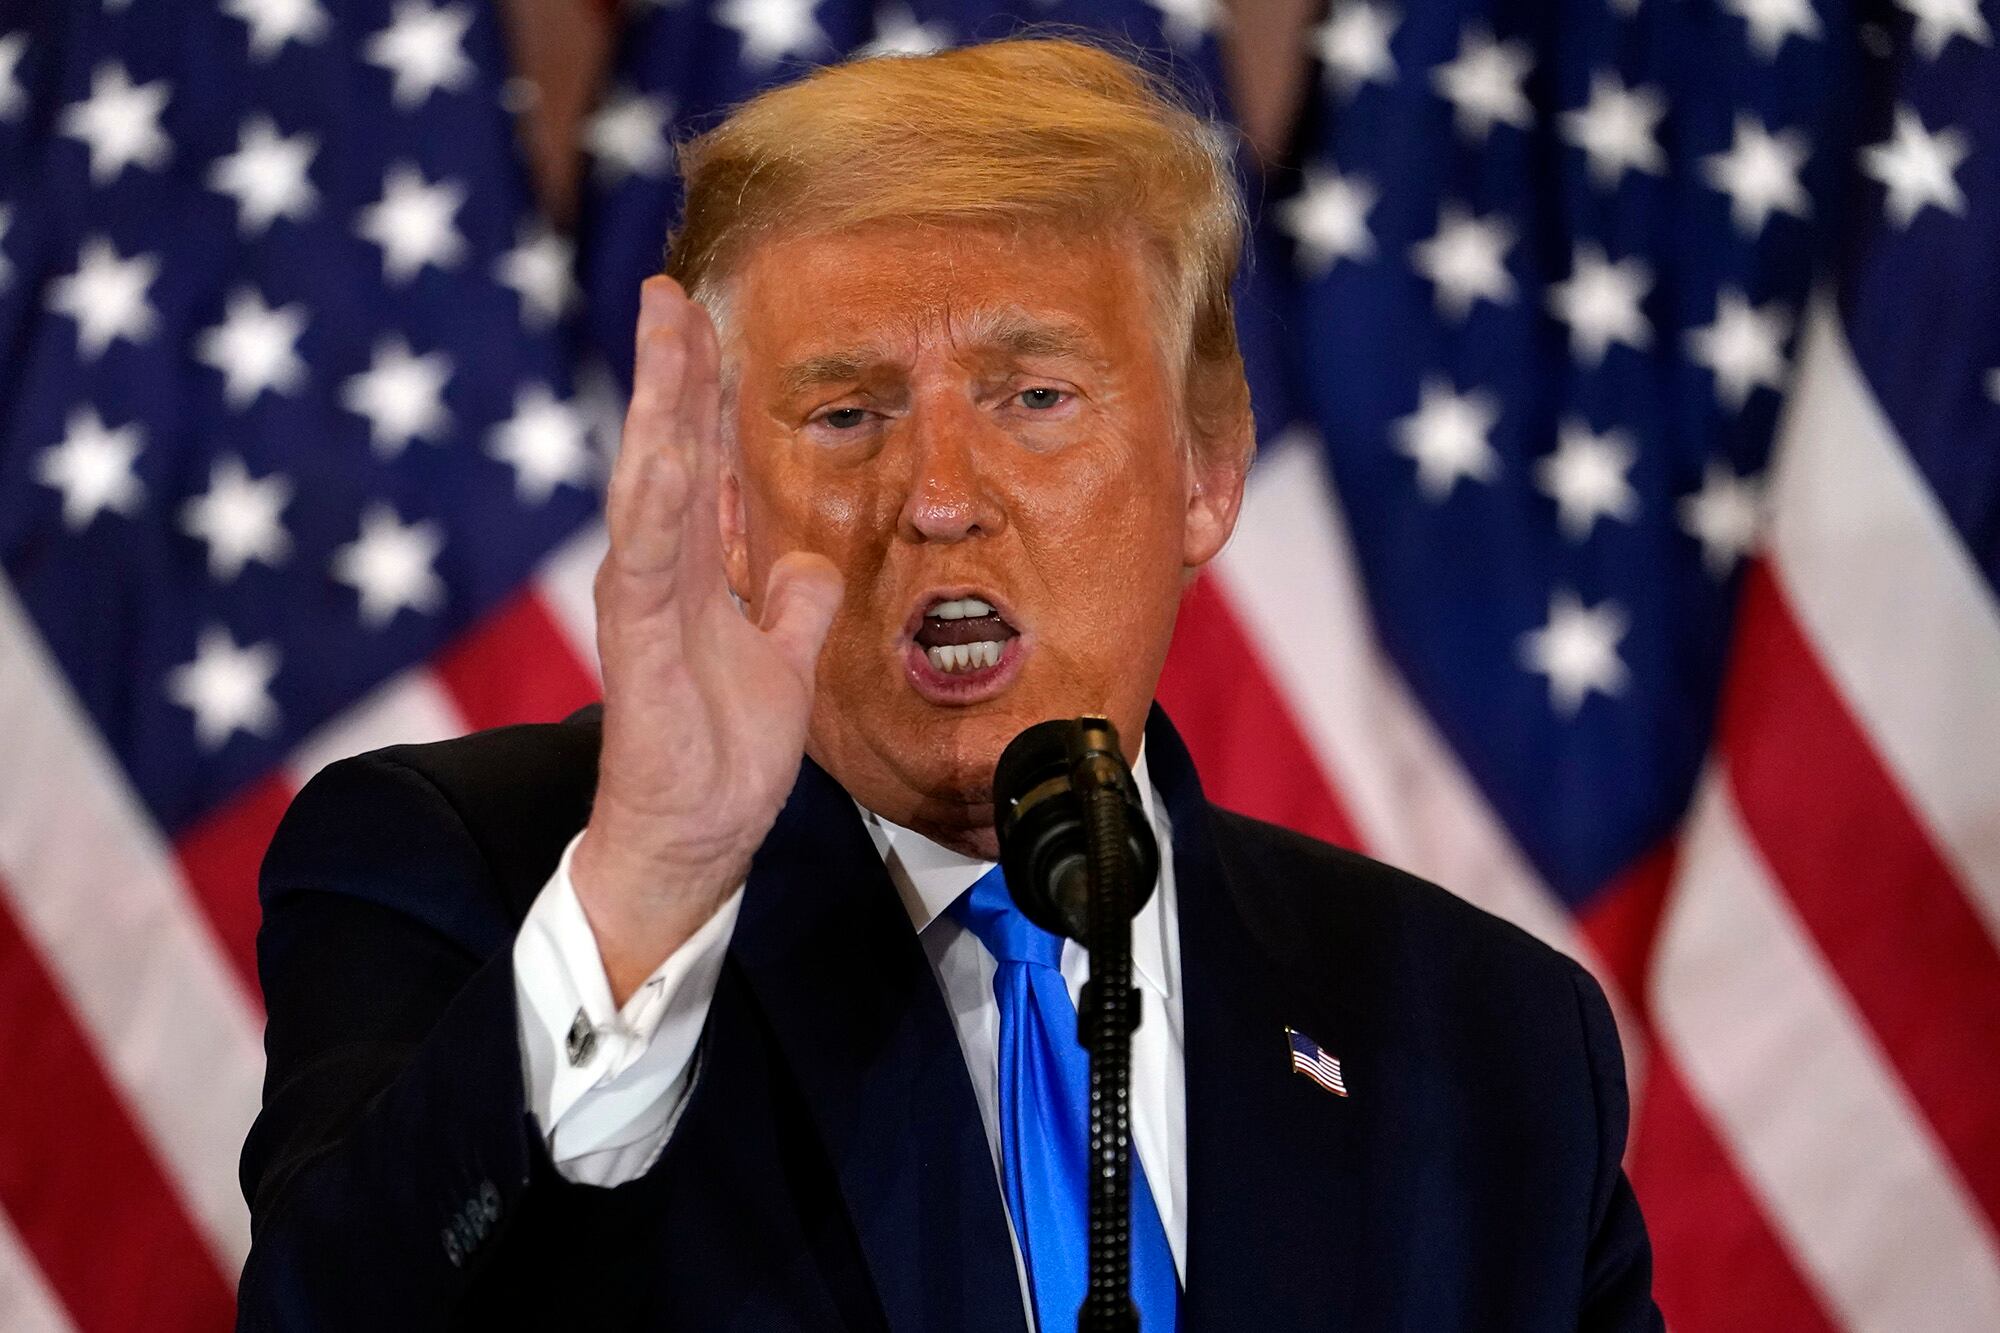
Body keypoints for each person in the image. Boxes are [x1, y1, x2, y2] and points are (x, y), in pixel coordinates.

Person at [236, 36, 1661, 1331]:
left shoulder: (1495, 1043)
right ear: (728, 499)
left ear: (1210, 467)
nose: (936, 499)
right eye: (847, 412)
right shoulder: (470, 874)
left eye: (1034, 397)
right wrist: (651, 884)